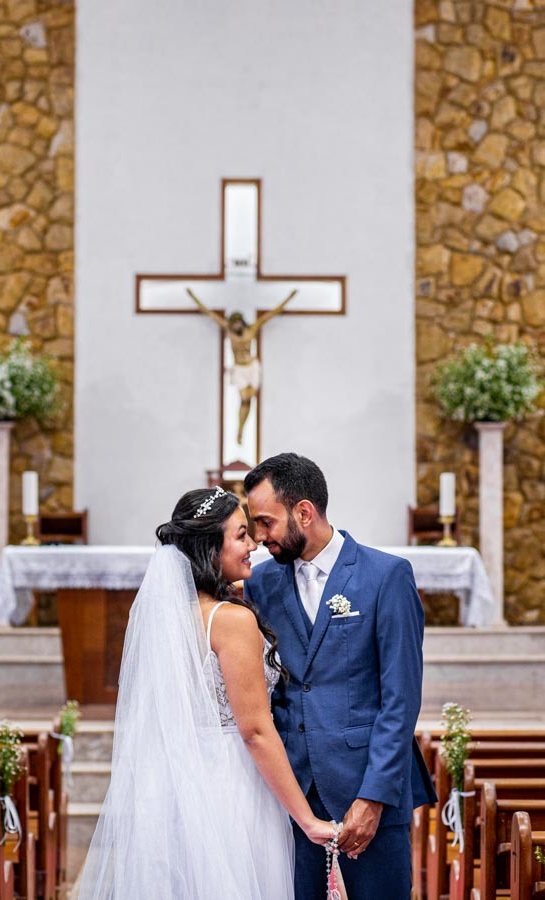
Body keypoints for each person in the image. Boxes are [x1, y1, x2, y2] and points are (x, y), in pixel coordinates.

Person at [78, 485, 334, 899]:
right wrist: (307, 820)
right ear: (210, 549)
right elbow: (255, 731)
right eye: (240, 536)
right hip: (232, 784)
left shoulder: (167, 618)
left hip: (176, 783)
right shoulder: (230, 620)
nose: (253, 545)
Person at [243, 453, 438, 900]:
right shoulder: (261, 584)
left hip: (368, 788)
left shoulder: (385, 576)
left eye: (266, 522)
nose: (259, 537)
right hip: (292, 795)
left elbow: (400, 699)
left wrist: (374, 797)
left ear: (304, 512)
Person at [187, 287, 297, 443]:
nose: (236, 326)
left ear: (242, 322)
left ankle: (242, 428)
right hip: (239, 368)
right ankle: (239, 430)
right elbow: (209, 313)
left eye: (238, 323)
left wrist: (289, 298)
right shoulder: (228, 329)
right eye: (234, 324)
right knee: (244, 399)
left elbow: (271, 314)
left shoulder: (251, 329)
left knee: (249, 400)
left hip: (252, 367)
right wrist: (193, 297)